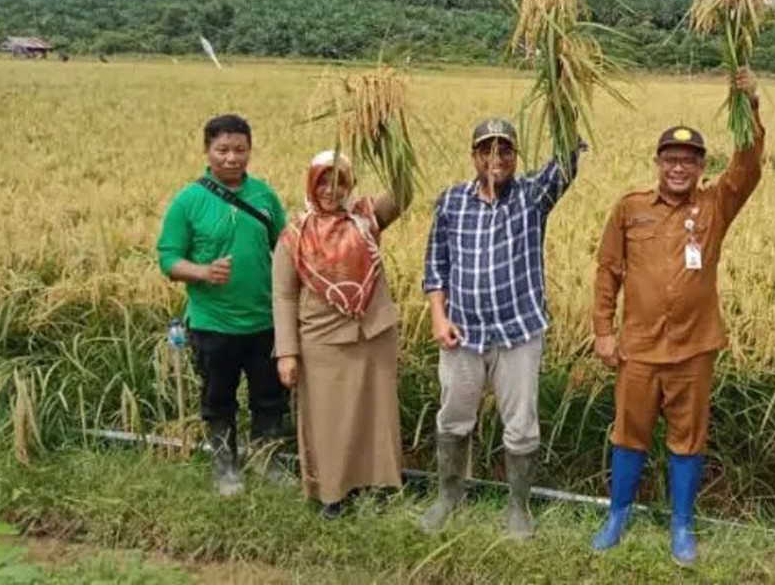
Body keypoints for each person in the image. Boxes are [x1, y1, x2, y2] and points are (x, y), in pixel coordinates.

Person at [590, 68, 764, 567]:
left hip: (693, 348)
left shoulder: (715, 206)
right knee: (629, 433)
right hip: (639, 348)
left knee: (689, 437)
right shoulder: (630, 208)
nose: (679, 168)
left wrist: (749, 104)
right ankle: (618, 515)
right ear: (658, 163)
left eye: (689, 161)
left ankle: (682, 523)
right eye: (671, 159)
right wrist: (603, 331)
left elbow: (748, 167)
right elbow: (608, 270)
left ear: (702, 166)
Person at [417, 118, 581, 539]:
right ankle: (449, 497)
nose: (496, 159)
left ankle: (518, 507)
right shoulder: (451, 202)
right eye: (486, 150)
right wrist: (439, 315)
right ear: (473, 156)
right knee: (453, 417)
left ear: (516, 155)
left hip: (518, 333)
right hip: (463, 334)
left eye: (505, 150)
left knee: (522, 423)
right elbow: (436, 266)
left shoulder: (531, 196)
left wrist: (562, 88)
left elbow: (565, 160)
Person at [156, 114, 289, 496]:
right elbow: (168, 260)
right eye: (223, 150)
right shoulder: (189, 201)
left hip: (264, 319)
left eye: (240, 150)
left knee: (270, 397)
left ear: (250, 151)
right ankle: (225, 467)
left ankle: (268, 461)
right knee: (219, 399)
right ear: (207, 151)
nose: (232, 158)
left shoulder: (263, 195)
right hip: (213, 323)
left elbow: (283, 246)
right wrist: (202, 271)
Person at [272, 151, 406, 518]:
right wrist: (286, 353)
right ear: (310, 184)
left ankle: (377, 488)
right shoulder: (294, 235)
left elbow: (404, 190)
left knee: (376, 418)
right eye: (322, 182)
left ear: (351, 183)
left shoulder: (366, 217)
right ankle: (332, 494)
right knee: (328, 422)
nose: (331, 191)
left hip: (373, 335)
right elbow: (283, 295)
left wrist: (386, 138)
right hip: (321, 342)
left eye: (340, 181)